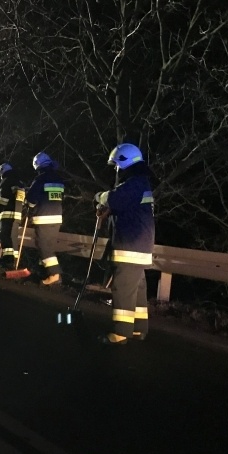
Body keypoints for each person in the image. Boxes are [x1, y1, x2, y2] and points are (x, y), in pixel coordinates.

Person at [95, 143, 154, 346]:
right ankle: (139, 329)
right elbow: (126, 207)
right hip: (140, 246)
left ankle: (121, 332)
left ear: (124, 162)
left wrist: (100, 197)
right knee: (136, 289)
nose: (116, 170)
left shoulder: (134, 184)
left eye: (117, 165)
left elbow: (113, 198)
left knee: (122, 288)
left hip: (130, 245)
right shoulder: (141, 183)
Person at [24, 152, 64, 285]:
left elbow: (31, 199)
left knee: (43, 247)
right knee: (49, 247)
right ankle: (45, 272)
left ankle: (54, 274)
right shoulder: (58, 179)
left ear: (37, 166)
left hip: (43, 218)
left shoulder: (40, 179)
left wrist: (29, 203)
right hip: (57, 218)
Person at [0, 163, 25, 268]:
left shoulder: (6, 181)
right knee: (13, 238)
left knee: (4, 236)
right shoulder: (20, 182)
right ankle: (13, 262)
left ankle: (7, 260)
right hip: (17, 214)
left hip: (7, 214)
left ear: (2, 171)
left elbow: (3, 200)